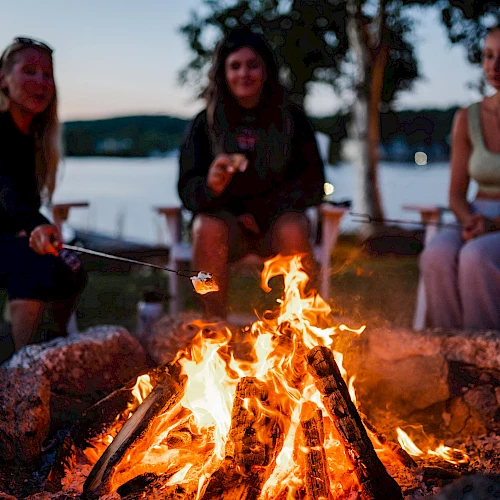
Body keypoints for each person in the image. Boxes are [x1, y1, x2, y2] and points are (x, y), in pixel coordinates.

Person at [178, 27, 325, 318]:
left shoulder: (293, 120)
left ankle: (304, 325)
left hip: (276, 225)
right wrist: (210, 188)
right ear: (223, 73)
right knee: (205, 228)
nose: (243, 73)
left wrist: (262, 212)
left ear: (266, 70)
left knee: (294, 229)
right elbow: (186, 191)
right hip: (226, 230)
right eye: (235, 66)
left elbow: (313, 184)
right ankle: (212, 323)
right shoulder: (203, 124)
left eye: (252, 65)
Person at [0, 36, 87, 353]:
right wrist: (35, 224)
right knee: (31, 264)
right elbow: (6, 193)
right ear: (4, 79)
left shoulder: (36, 139)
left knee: (72, 263)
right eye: (29, 71)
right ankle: (23, 370)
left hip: (17, 234)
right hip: (10, 240)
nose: (40, 82)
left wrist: (35, 226)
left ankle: (55, 347)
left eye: (47, 75)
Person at [419, 25, 500, 330]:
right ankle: (450, 357)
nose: (495, 66)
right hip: (476, 214)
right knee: (436, 253)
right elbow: (455, 194)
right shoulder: (468, 117)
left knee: (476, 257)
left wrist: (492, 226)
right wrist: (469, 220)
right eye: (488, 56)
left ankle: (486, 359)